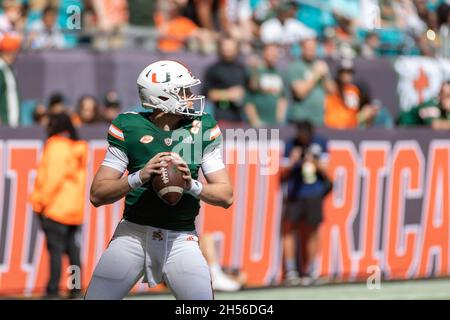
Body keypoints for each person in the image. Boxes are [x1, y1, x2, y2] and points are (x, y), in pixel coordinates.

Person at [85, 60, 234, 300]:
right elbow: (97, 194)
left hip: (181, 239)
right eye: (183, 91)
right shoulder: (129, 126)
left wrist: (191, 185)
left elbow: (226, 195)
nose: (190, 96)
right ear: (162, 97)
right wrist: (139, 177)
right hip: (133, 236)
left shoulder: (201, 127)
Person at [30, 113, 88, 299]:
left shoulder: (56, 146)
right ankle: (76, 288)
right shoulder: (77, 147)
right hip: (74, 210)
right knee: (73, 252)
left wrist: (40, 204)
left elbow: (51, 180)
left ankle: (53, 290)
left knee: (55, 251)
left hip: (55, 208)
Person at [281, 121, 330, 286]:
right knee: (289, 229)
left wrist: (313, 161)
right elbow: (282, 172)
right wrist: (294, 161)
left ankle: (312, 270)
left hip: (314, 192)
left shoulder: (320, 142)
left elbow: (328, 170)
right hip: (295, 194)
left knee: (313, 231)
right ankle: (291, 271)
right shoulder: (290, 145)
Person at [286, 38, 333, 126]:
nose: (310, 52)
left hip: (319, 118)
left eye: (312, 49)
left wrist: (325, 76)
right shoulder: (296, 66)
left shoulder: (320, 65)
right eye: (307, 49)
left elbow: (331, 91)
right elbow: (300, 93)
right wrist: (316, 75)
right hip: (301, 118)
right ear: (302, 49)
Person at [203, 37, 248, 123]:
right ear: (220, 48)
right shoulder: (213, 69)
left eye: (231, 47)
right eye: (226, 47)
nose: (228, 50)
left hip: (241, 117)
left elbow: (250, 90)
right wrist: (228, 94)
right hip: (221, 116)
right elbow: (207, 93)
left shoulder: (242, 68)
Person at [324, 59, 379, 129]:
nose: (347, 75)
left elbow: (354, 113)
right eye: (344, 72)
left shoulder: (354, 90)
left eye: (349, 72)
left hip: (351, 126)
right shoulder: (333, 87)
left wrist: (364, 114)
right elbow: (327, 83)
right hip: (334, 126)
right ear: (339, 73)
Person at [244, 43, 287, 127]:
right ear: (264, 53)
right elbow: (250, 93)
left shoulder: (280, 73)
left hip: (275, 123)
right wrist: (255, 120)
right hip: (258, 122)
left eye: (275, 52)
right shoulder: (255, 71)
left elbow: (282, 99)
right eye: (270, 51)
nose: (273, 54)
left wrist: (280, 121)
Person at [0, 32, 20, 127]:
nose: (13, 55)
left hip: (12, 124)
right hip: (4, 125)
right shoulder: (1, 69)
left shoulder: (8, 69)